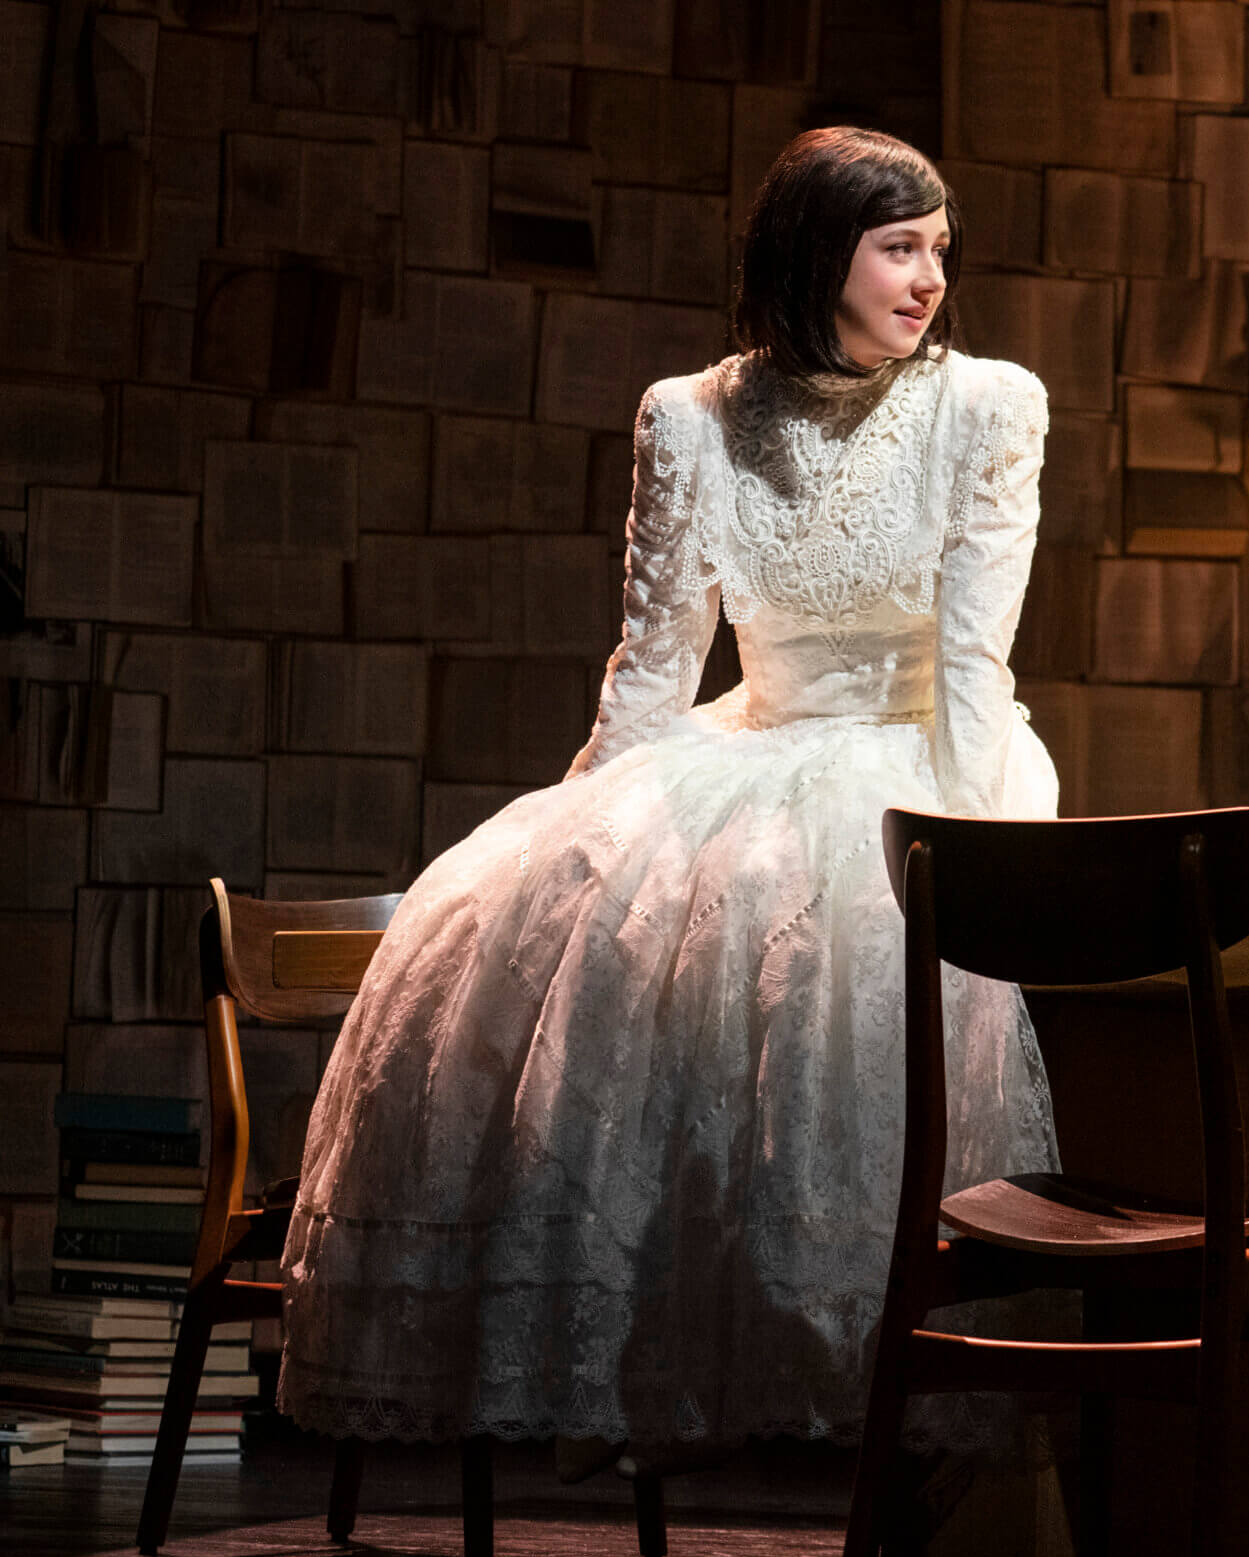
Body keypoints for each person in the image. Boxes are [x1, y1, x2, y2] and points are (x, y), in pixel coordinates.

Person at [277, 129, 1060, 1467]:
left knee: (850, 959)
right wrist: (575, 851)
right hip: (749, 739)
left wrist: (976, 836)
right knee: (578, 927)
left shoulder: (987, 404)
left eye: (939, 248)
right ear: (820, 251)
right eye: (898, 247)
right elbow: (651, 666)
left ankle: (893, 1369)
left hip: (914, 744)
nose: (931, 278)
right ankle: (651, 1339)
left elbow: (975, 655)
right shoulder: (689, 415)